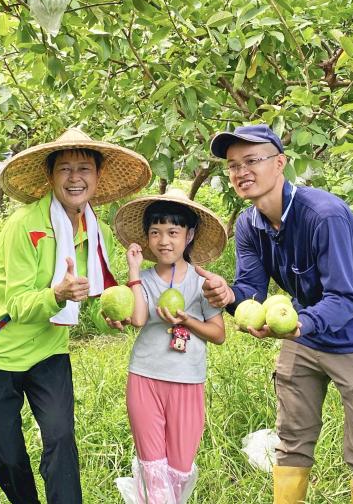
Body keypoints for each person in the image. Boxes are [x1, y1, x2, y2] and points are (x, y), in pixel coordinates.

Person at [197, 124, 353, 504]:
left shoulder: (324, 215)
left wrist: (301, 324)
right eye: (233, 165)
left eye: (251, 160)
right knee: (291, 440)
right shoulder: (249, 224)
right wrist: (227, 296)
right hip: (302, 333)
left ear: (280, 164)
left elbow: (344, 299)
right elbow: (250, 293)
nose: (241, 172)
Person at [0, 128, 151, 504]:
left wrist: (109, 316)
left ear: (97, 177)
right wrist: (56, 294)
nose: (74, 178)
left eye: (84, 169)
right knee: (7, 456)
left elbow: (91, 300)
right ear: (50, 177)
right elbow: (19, 305)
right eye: (64, 169)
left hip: (48, 350)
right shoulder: (25, 225)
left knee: (61, 438)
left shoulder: (97, 232)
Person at [110, 188, 227, 504]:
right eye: (156, 232)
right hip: (145, 378)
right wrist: (133, 272)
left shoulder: (202, 283)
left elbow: (218, 334)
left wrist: (187, 320)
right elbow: (137, 318)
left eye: (173, 232)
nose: (164, 240)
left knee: (179, 467)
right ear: (147, 238)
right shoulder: (145, 280)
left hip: (188, 383)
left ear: (189, 235)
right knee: (152, 466)